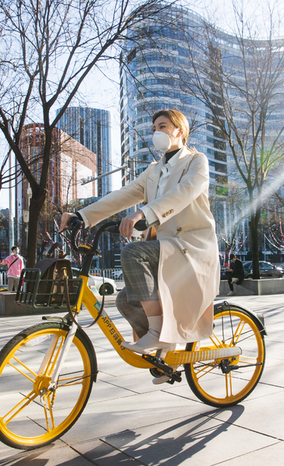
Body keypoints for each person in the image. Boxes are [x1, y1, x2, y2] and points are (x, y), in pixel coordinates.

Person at [59, 109, 220, 384]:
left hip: (191, 246)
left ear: (179, 131)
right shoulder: (153, 171)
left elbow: (183, 194)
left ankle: (157, 332)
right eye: (154, 127)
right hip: (167, 248)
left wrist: (143, 214)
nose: (156, 132)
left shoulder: (196, 161)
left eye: (163, 126)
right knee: (126, 300)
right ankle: (164, 350)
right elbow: (121, 195)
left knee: (132, 252)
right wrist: (82, 216)